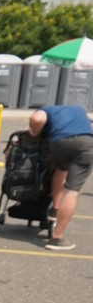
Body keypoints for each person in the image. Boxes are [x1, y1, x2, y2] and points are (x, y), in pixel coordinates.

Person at [28, 102, 92, 251]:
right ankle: (57, 238)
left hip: (59, 143)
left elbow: (37, 119)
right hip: (86, 144)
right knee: (72, 190)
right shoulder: (79, 109)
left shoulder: (46, 110)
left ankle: (55, 209)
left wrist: (34, 132)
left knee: (61, 169)